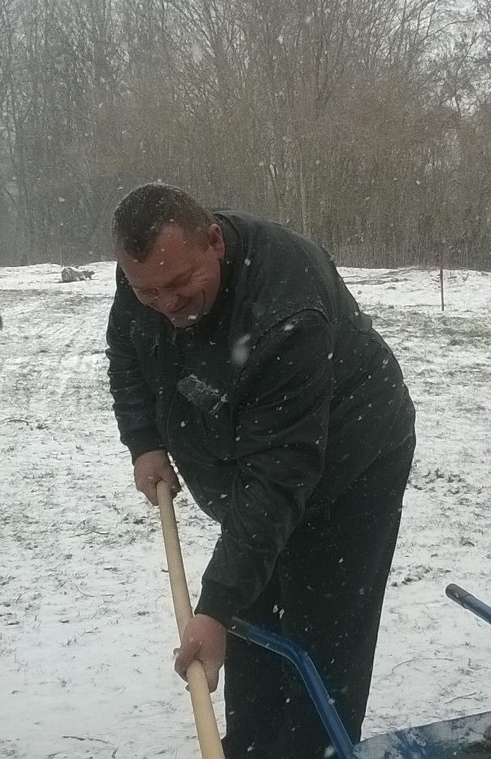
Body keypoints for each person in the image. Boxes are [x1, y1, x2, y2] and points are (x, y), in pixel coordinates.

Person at [105, 183, 415, 759]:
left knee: (324, 628)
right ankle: (250, 746)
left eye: (179, 284)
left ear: (215, 242)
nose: (167, 304)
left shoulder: (286, 310)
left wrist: (213, 606)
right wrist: (143, 442)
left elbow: (278, 477)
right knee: (253, 615)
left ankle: (315, 749)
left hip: (352, 465)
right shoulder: (149, 277)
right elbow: (126, 350)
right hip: (252, 464)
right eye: (148, 291)